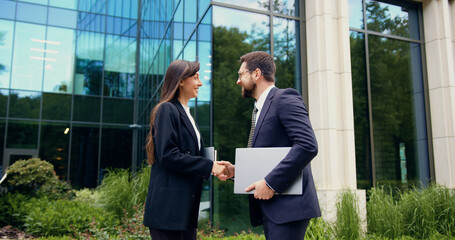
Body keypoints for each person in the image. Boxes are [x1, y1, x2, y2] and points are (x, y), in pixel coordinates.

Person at [220, 51, 321, 239]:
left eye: (241, 74)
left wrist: (270, 183)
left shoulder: (285, 98)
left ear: (256, 74)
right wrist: (238, 172)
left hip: (288, 209)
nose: (238, 81)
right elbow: (268, 156)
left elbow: (307, 145)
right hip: (274, 208)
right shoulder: (260, 108)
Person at [143, 59, 229, 240]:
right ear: (180, 81)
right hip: (168, 212)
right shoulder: (166, 109)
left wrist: (213, 166)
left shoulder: (187, 114)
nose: (200, 83)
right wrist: (209, 166)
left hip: (184, 210)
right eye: (196, 77)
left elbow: (189, 155)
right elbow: (167, 154)